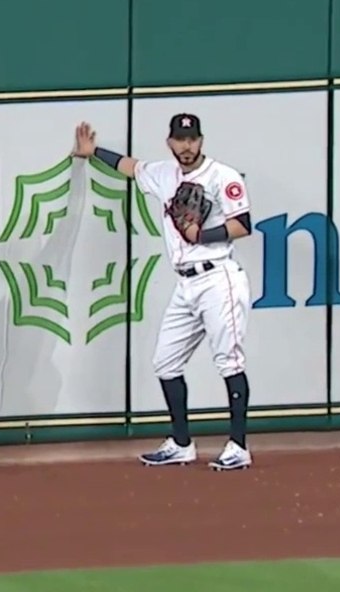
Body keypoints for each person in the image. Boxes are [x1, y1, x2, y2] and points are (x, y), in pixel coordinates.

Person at [72, 114, 254, 471]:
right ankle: (182, 443)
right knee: (166, 362)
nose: (187, 146)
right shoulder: (162, 173)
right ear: (169, 142)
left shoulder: (223, 176)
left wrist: (202, 235)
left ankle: (238, 446)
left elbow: (243, 224)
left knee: (229, 361)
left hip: (219, 279)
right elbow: (130, 166)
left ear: (201, 140)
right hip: (185, 284)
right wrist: (93, 153)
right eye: (180, 139)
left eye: (192, 139)